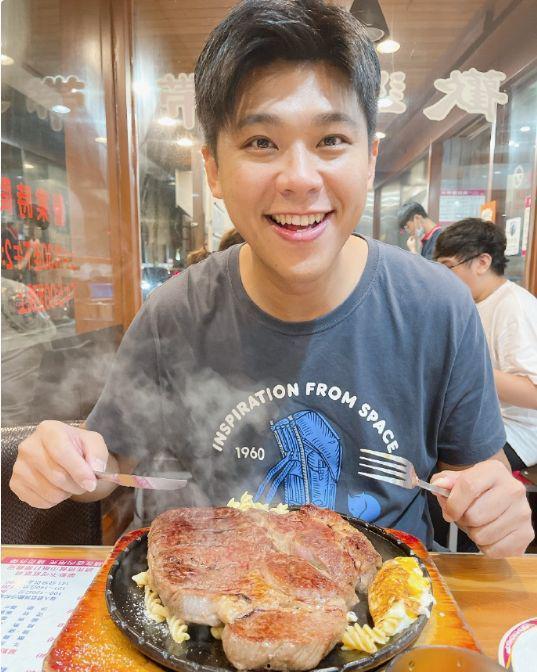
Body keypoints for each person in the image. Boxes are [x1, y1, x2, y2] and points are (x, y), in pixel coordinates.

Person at [10, 0, 532, 558]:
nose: (300, 179)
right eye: (261, 142)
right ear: (213, 169)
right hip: (208, 589)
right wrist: (70, 463)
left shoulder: (437, 306)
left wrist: (494, 506)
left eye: (331, 140)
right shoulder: (176, 311)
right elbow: (114, 465)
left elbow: (474, 471)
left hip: (387, 592)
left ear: (370, 159)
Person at [434, 218, 537, 470]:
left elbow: (533, 393)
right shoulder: (473, 302)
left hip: (519, 432)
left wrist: (465, 370)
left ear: (482, 262)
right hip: (484, 420)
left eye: (448, 267)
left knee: (440, 463)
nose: (442, 277)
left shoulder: (514, 307)